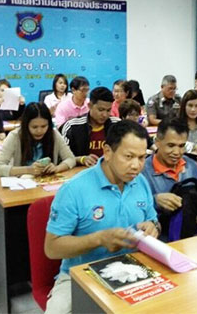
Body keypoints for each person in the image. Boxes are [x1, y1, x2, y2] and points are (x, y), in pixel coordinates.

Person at [44, 120, 159, 314]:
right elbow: (52, 248)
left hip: (134, 268)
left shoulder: (140, 182)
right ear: (107, 151)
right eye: (129, 156)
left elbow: (153, 220)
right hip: (81, 273)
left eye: (142, 158)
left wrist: (153, 226)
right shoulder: (74, 189)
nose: (136, 166)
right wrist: (98, 239)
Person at [0, 103, 76, 177]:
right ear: (26, 125)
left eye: (44, 126)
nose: (39, 131)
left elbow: (70, 159)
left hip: (47, 182)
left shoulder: (53, 134)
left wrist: (57, 168)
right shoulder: (15, 136)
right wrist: (29, 170)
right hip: (23, 185)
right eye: (34, 127)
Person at [61, 87, 120, 167]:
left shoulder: (117, 125)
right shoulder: (72, 126)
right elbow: (62, 157)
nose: (105, 115)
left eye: (108, 110)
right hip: (81, 172)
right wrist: (81, 159)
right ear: (90, 106)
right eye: (101, 110)